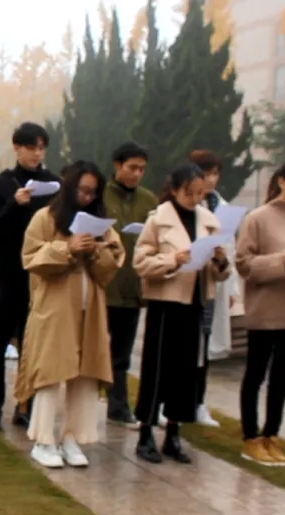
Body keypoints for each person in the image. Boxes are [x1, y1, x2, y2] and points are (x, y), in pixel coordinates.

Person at [16, 161, 122, 468]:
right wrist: (67, 248)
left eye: (93, 192)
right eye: (83, 190)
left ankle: (72, 438)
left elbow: (112, 264)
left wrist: (96, 250)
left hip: (91, 310)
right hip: (54, 308)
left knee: (85, 374)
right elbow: (31, 259)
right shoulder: (45, 218)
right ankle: (44, 440)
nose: (87, 197)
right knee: (51, 371)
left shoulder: (102, 225)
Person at [132, 164, 232, 465]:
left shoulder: (208, 220)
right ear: (175, 190)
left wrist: (219, 260)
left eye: (200, 193)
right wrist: (172, 260)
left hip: (195, 302)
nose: (195, 199)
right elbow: (141, 263)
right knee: (157, 369)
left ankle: (174, 433)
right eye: (189, 193)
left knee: (186, 371)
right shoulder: (158, 219)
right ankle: (146, 432)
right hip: (166, 302)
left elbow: (222, 273)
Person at [0, 122, 62, 431]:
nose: (37, 154)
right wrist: (14, 204)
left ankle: (25, 403)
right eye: (31, 147)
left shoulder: (53, 185)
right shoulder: (0, 184)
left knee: (33, 343)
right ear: (17, 148)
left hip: (39, 275)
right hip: (6, 273)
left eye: (41, 148)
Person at [235, 161, 285, 467]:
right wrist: (279, 261)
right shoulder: (257, 218)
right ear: (282, 181)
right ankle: (250, 437)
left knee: (281, 378)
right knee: (256, 374)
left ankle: (272, 435)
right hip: (265, 309)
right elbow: (244, 264)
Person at [102, 142, 159, 429]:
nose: (137, 174)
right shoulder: (101, 195)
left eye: (142, 169)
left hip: (132, 288)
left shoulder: (149, 200)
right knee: (91, 350)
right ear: (117, 165)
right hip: (103, 286)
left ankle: (118, 406)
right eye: (132, 167)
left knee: (121, 355)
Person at [187, 149, 239, 428]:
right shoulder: (185, 205)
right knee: (182, 346)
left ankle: (198, 402)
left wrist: (232, 290)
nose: (211, 180)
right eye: (206, 173)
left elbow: (231, 250)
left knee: (204, 348)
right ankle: (170, 401)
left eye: (215, 174)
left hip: (213, 283)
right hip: (186, 283)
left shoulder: (224, 208)